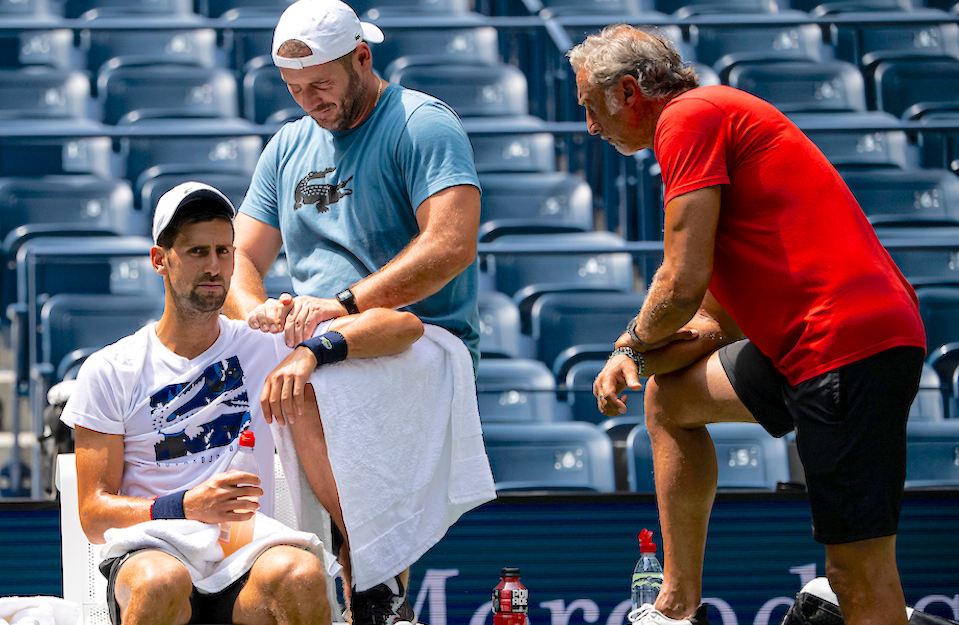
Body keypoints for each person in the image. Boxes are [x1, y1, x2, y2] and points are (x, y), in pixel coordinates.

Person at [570, 24, 927, 625]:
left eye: (588, 106)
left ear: (629, 92)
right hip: (805, 344)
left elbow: (680, 283)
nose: (588, 126)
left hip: (842, 346)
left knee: (857, 578)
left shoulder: (689, 118)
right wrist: (649, 359)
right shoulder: (710, 118)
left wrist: (630, 343)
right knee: (670, 401)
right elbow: (720, 316)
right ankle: (676, 607)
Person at [221, 0, 484, 621]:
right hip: (323, 332)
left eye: (321, 84)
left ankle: (370, 577)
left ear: (362, 57)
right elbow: (238, 255)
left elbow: (451, 245)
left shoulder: (422, 124)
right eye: (294, 89)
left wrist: (342, 303)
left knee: (305, 380)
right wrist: (256, 309)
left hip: (422, 335)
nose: (309, 101)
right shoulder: (287, 145)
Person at [62, 182, 426, 625]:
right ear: (160, 260)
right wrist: (187, 505)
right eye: (197, 252)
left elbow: (406, 327)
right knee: (159, 581)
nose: (214, 266)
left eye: (223, 251)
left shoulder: (266, 344)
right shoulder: (110, 368)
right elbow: (94, 514)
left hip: (244, 557)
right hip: (154, 550)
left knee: (301, 572)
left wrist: (314, 349)